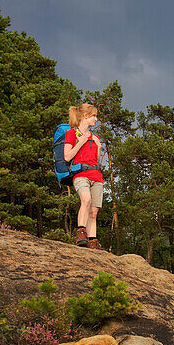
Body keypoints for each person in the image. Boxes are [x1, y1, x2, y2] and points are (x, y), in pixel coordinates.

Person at [63, 104, 104, 249]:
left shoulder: (95, 136)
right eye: (93, 116)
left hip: (96, 175)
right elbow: (67, 156)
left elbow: (96, 160)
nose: (96, 119)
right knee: (86, 200)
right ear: (86, 116)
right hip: (81, 174)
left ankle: (92, 241)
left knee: (94, 211)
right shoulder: (72, 134)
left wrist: (98, 146)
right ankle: (81, 233)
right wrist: (81, 142)